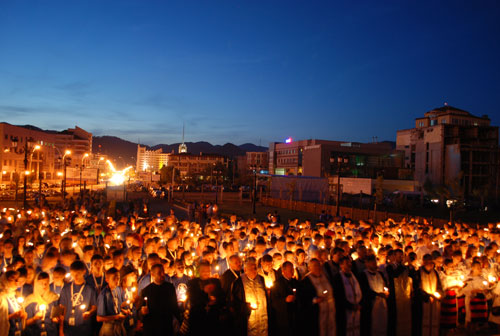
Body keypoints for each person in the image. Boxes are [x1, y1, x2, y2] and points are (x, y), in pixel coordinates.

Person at [139, 263, 180, 336]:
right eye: (159, 273)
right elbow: (140, 311)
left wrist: (178, 319)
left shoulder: (170, 288)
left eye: (163, 272)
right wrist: (142, 312)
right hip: (152, 328)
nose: (162, 275)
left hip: (166, 326)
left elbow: (174, 306)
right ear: (152, 274)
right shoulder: (146, 291)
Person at [231, 257, 269, 336]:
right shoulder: (239, 283)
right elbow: (235, 302)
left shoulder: (261, 279)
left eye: (255, 268)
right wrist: (247, 306)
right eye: (251, 269)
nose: (254, 271)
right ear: (245, 270)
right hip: (248, 320)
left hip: (262, 317)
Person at [59, 260, 97, 336]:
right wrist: (61, 329)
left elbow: (94, 307)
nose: (75, 277)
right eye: (73, 274)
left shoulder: (90, 289)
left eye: (78, 274)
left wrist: (89, 313)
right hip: (68, 328)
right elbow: (62, 309)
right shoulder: (66, 289)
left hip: (84, 328)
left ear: (84, 272)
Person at [299, 258, 336, 336]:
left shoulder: (325, 276)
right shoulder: (306, 280)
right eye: (315, 266)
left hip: (330, 311)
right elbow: (302, 299)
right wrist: (314, 300)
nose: (318, 267)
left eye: (319, 265)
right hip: (316, 314)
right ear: (309, 268)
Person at [412, 254, 443, 336]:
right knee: (422, 325)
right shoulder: (418, 273)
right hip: (423, 303)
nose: (430, 264)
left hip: (434, 303)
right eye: (428, 262)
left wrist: (439, 294)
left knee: (434, 324)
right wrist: (427, 296)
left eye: (432, 262)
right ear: (424, 262)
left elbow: (439, 286)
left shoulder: (435, 273)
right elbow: (417, 288)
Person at [24, 272, 62, 336]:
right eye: (41, 283)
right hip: (34, 332)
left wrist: (56, 319)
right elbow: (25, 323)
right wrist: (34, 318)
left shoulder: (54, 298)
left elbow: (59, 318)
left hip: (51, 332)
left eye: (46, 283)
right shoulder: (30, 300)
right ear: (36, 284)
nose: (44, 285)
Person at [358, 254, 388, 336]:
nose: (374, 263)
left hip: (382, 305)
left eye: (375, 261)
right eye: (372, 262)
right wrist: (377, 294)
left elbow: (385, 285)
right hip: (370, 306)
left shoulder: (380, 274)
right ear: (366, 263)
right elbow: (364, 290)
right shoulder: (363, 275)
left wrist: (386, 291)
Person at [332, 256, 362, 336]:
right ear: (341, 265)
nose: (349, 264)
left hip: (356, 309)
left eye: (350, 263)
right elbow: (338, 296)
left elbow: (358, 291)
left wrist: (359, 304)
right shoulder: (338, 278)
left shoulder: (354, 276)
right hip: (344, 311)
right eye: (347, 263)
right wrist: (350, 306)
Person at [97, 267, 129, 336]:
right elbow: (99, 318)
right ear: (107, 280)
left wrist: (124, 311)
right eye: (114, 278)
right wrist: (116, 317)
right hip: (109, 327)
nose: (117, 281)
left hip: (119, 325)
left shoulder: (118, 289)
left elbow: (118, 307)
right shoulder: (103, 295)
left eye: (118, 278)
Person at [269, 261, 298, 336]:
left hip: (295, 315)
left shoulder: (295, 282)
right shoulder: (277, 284)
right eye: (290, 270)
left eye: (293, 269)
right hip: (283, 318)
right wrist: (285, 300)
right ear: (284, 271)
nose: (292, 272)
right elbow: (273, 301)